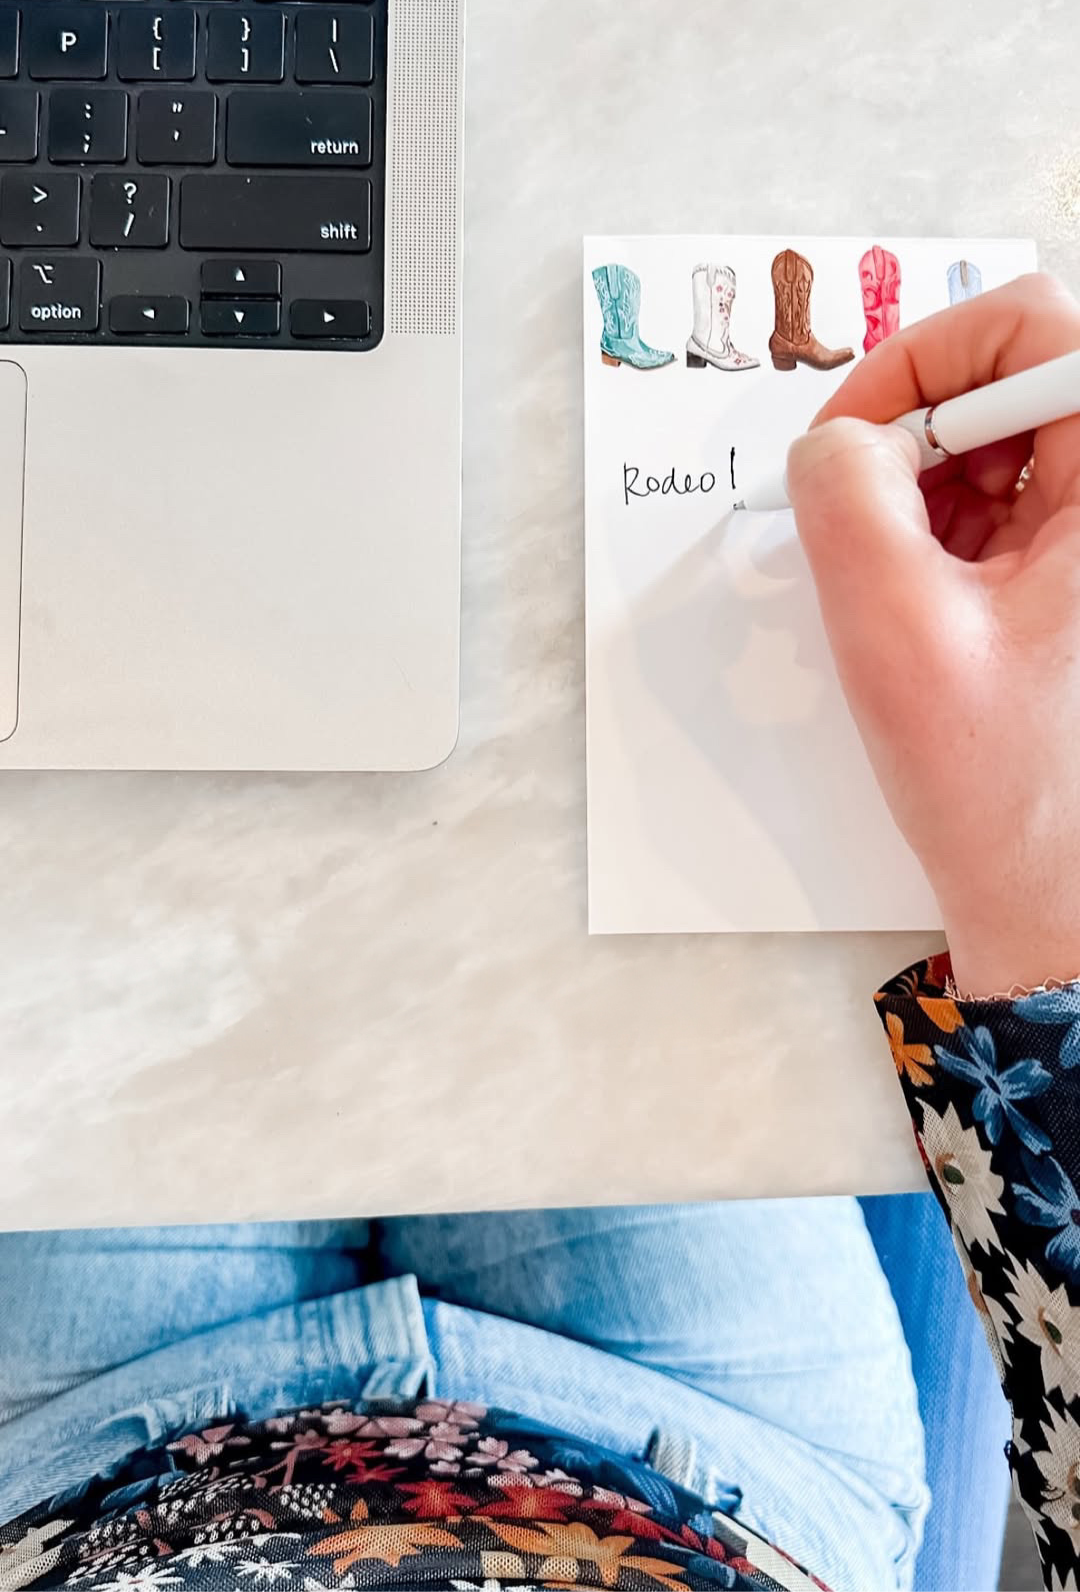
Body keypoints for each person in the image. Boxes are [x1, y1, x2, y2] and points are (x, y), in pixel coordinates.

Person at [2, 272, 1078, 1592]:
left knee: (112, 612)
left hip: (77, 1466)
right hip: (705, 1469)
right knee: (534, 645)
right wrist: (1039, 871)